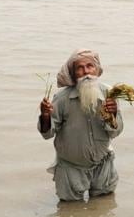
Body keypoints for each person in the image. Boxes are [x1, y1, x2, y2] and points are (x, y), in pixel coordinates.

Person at [38, 49, 123, 202]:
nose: (86, 72)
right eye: (80, 68)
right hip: (71, 168)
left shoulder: (109, 94)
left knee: (104, 205)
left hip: (103, 164)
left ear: (97, 70)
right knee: (69, 210)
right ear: (73, 73)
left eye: (90, 66)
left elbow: (115, 132)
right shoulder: (62, 99)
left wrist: (113, 114)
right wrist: (45, 116)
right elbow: (47, 134)